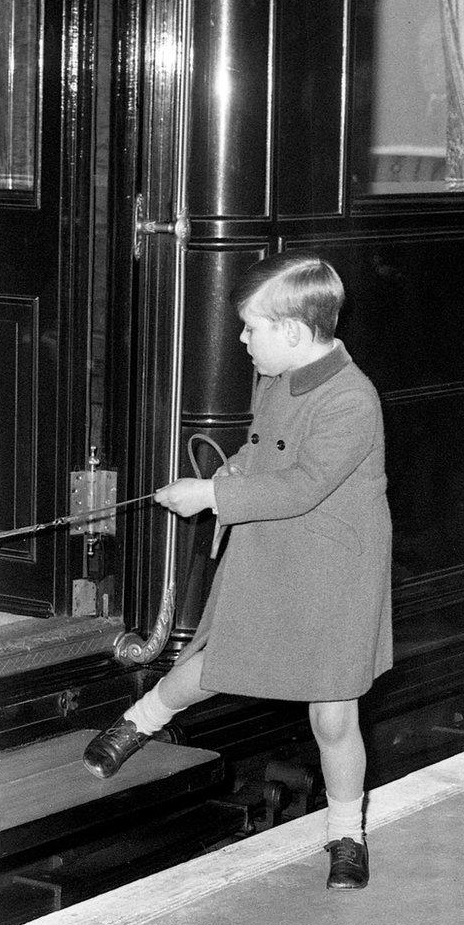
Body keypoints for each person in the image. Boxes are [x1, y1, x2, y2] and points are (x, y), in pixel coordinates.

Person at [84, 255, 392, 890]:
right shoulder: (280, 377)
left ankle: (346, 834)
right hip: (272, 553)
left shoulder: (352, 399)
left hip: (333, 571)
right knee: (210, 661)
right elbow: (262, 449)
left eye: (252, 328)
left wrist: (213, 498)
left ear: (294, 332)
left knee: (333, 716)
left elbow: (305, 485)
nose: (243, 340)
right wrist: (229, 474)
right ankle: (136, 723)